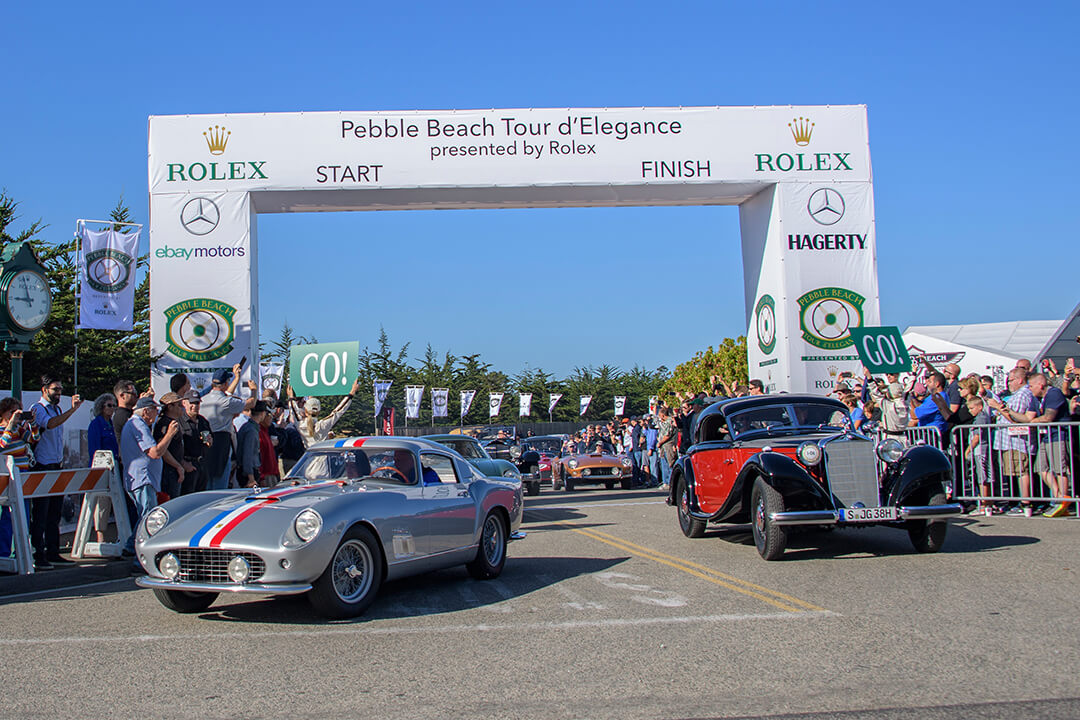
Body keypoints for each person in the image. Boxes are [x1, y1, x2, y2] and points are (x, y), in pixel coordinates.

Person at [28, 375, 83, 570]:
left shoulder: (57, 408)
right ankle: (38, 552)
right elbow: (49, 424)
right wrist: (72, 410)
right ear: (44, 390)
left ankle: (53, 550)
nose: (58, 393)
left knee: (54, 511)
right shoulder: (38, 409)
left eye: (60, 389)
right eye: (55, 389)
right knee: (41, 512)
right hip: (43, 464)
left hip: (56, 463)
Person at [121, 397, 178, 560]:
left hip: (142, 477)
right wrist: (169, 435)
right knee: (148, 519)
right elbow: (154, 452)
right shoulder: (138, 424)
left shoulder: (134, 424)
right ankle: (141, 558)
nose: (157, 413)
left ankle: (131, 547)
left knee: (144, 516)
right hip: (143, 478)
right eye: (155, 410)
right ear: (146, 411)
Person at [989, 368, 1038, 516]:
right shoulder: (1017, 394)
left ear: (1020, 380)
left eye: (1010, 380)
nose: (1008, 383)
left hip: (1017, 442)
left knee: (1021, 472)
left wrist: (998, 407)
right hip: (1008, 441)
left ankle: (1025, 504)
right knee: (1015, 472)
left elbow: (1015, 419)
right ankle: (1018, 502)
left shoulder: (1023, 394)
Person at [0, 397, 41, 561]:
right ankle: (3, 553)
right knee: (7, 518)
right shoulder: (4, 429)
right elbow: (2, 444)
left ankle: (21, 553)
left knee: (24, 516)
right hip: (7, 478)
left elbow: (34, 439)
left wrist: (32, 423)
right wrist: (9, 425)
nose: (16, 416)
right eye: (12, 412)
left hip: (23, 476)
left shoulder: (19, 429)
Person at [1028, 373, 1072, 517]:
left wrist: (1032, 422)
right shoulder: (1040, 398)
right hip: (1047, 436)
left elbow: (1048, 417)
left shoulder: (1054, 393)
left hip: (1059, 435)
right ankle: (1059, 497)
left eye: (1031, 386)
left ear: (1040, 385)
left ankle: (1064, 500)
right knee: (1040, 468)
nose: (1030, 389)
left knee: (1060, 469)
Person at [201, 365, 249, 490]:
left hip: (205, 438)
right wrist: (253, 391)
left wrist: (237, 378)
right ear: (224, 384)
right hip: (221, 440)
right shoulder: (225, 402)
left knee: (207, 480)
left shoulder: (203, 400)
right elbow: (250, 403)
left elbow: (226, 395)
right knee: (219, 483)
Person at [287, 378, 360, 447]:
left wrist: (291, 397)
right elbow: (337, 411)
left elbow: (293, 411)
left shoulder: (301, 425)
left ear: (305, 410)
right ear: (318, 412)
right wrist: (351, 393)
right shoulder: (322, 425)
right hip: (322, 459)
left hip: (309, 458)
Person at [87, 393, 120, 543]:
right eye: (109, 405)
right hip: (101, 467)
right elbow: (94, 449)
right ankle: (100, 535)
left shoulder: (112, 424)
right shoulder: (96, 424)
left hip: (114, 466)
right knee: (101, 502)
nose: (112, 408)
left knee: (116, 501)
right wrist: (99, 467)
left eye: (114, 405)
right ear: (101, 407)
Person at [153, 393, 191, 499]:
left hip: (175, 469)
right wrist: (177, 466)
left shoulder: (174, 422)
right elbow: (163, 450)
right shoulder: (164, 424)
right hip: (169, 471)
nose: (183, 408)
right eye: (179, 405)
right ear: (170, 407)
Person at [179, 390, 212, 494]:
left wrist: (210, 441)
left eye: (197, 403)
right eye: (192, 403)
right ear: (184, 403)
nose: (195, 406)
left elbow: (208, 441)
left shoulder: (203, 421)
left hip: (202, 464)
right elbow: (173, 448)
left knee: (201, 497)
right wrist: (183, 463)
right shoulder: (179, 421)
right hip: (187, 465)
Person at [236, 401, 268, 489]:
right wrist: (251, 478)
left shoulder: (247, 427)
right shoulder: (251, 431)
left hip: (247, 470)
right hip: (249, 473)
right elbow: (248, 454)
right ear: (262, 414)